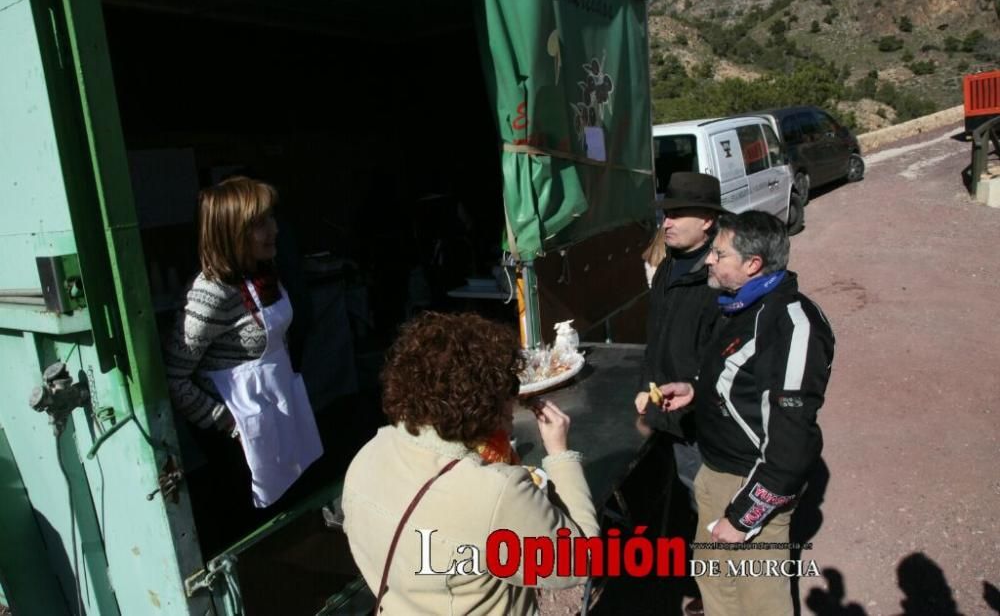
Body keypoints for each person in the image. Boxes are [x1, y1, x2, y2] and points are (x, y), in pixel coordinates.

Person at [342, 312, 599, 615]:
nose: (514, 406)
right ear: (483, 401)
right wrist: (559, 454)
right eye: (509, 392)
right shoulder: (495, 493)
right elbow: (579, 563)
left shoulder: (366, 457)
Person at [658, 210, 835, 616]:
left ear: (753, 264)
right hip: (718, 472)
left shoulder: (792, 326)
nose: (708, 260)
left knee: (759, 602)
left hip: (747, 484)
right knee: (718, 584)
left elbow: (791, 446)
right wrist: (696, 390)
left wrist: (741, 518)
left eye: (719, 254)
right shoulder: (742, 304)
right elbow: (740, 375)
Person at [164, 176, 323, 508]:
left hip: (277, 413)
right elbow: (175, 377)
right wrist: (229, 423)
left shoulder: (263, 273)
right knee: (261, 520)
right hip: (241, 439)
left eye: (271, 218)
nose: (274, 230)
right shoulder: (210, 294)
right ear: (230, 232)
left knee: (296, 499)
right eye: (260, 224)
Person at [636, 173, 726, 616]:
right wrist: (644, 383)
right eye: (664, 214)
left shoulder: (720, 277)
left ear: (708, 220)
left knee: (705, 504)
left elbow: (725, 359)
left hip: (699, 421)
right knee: (670, 496)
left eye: (676, 214)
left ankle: (719, 595)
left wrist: (695, 391)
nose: (666, 222)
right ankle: (684, 575)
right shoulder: (670, 266)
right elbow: (657, 337)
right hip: (661, 409)